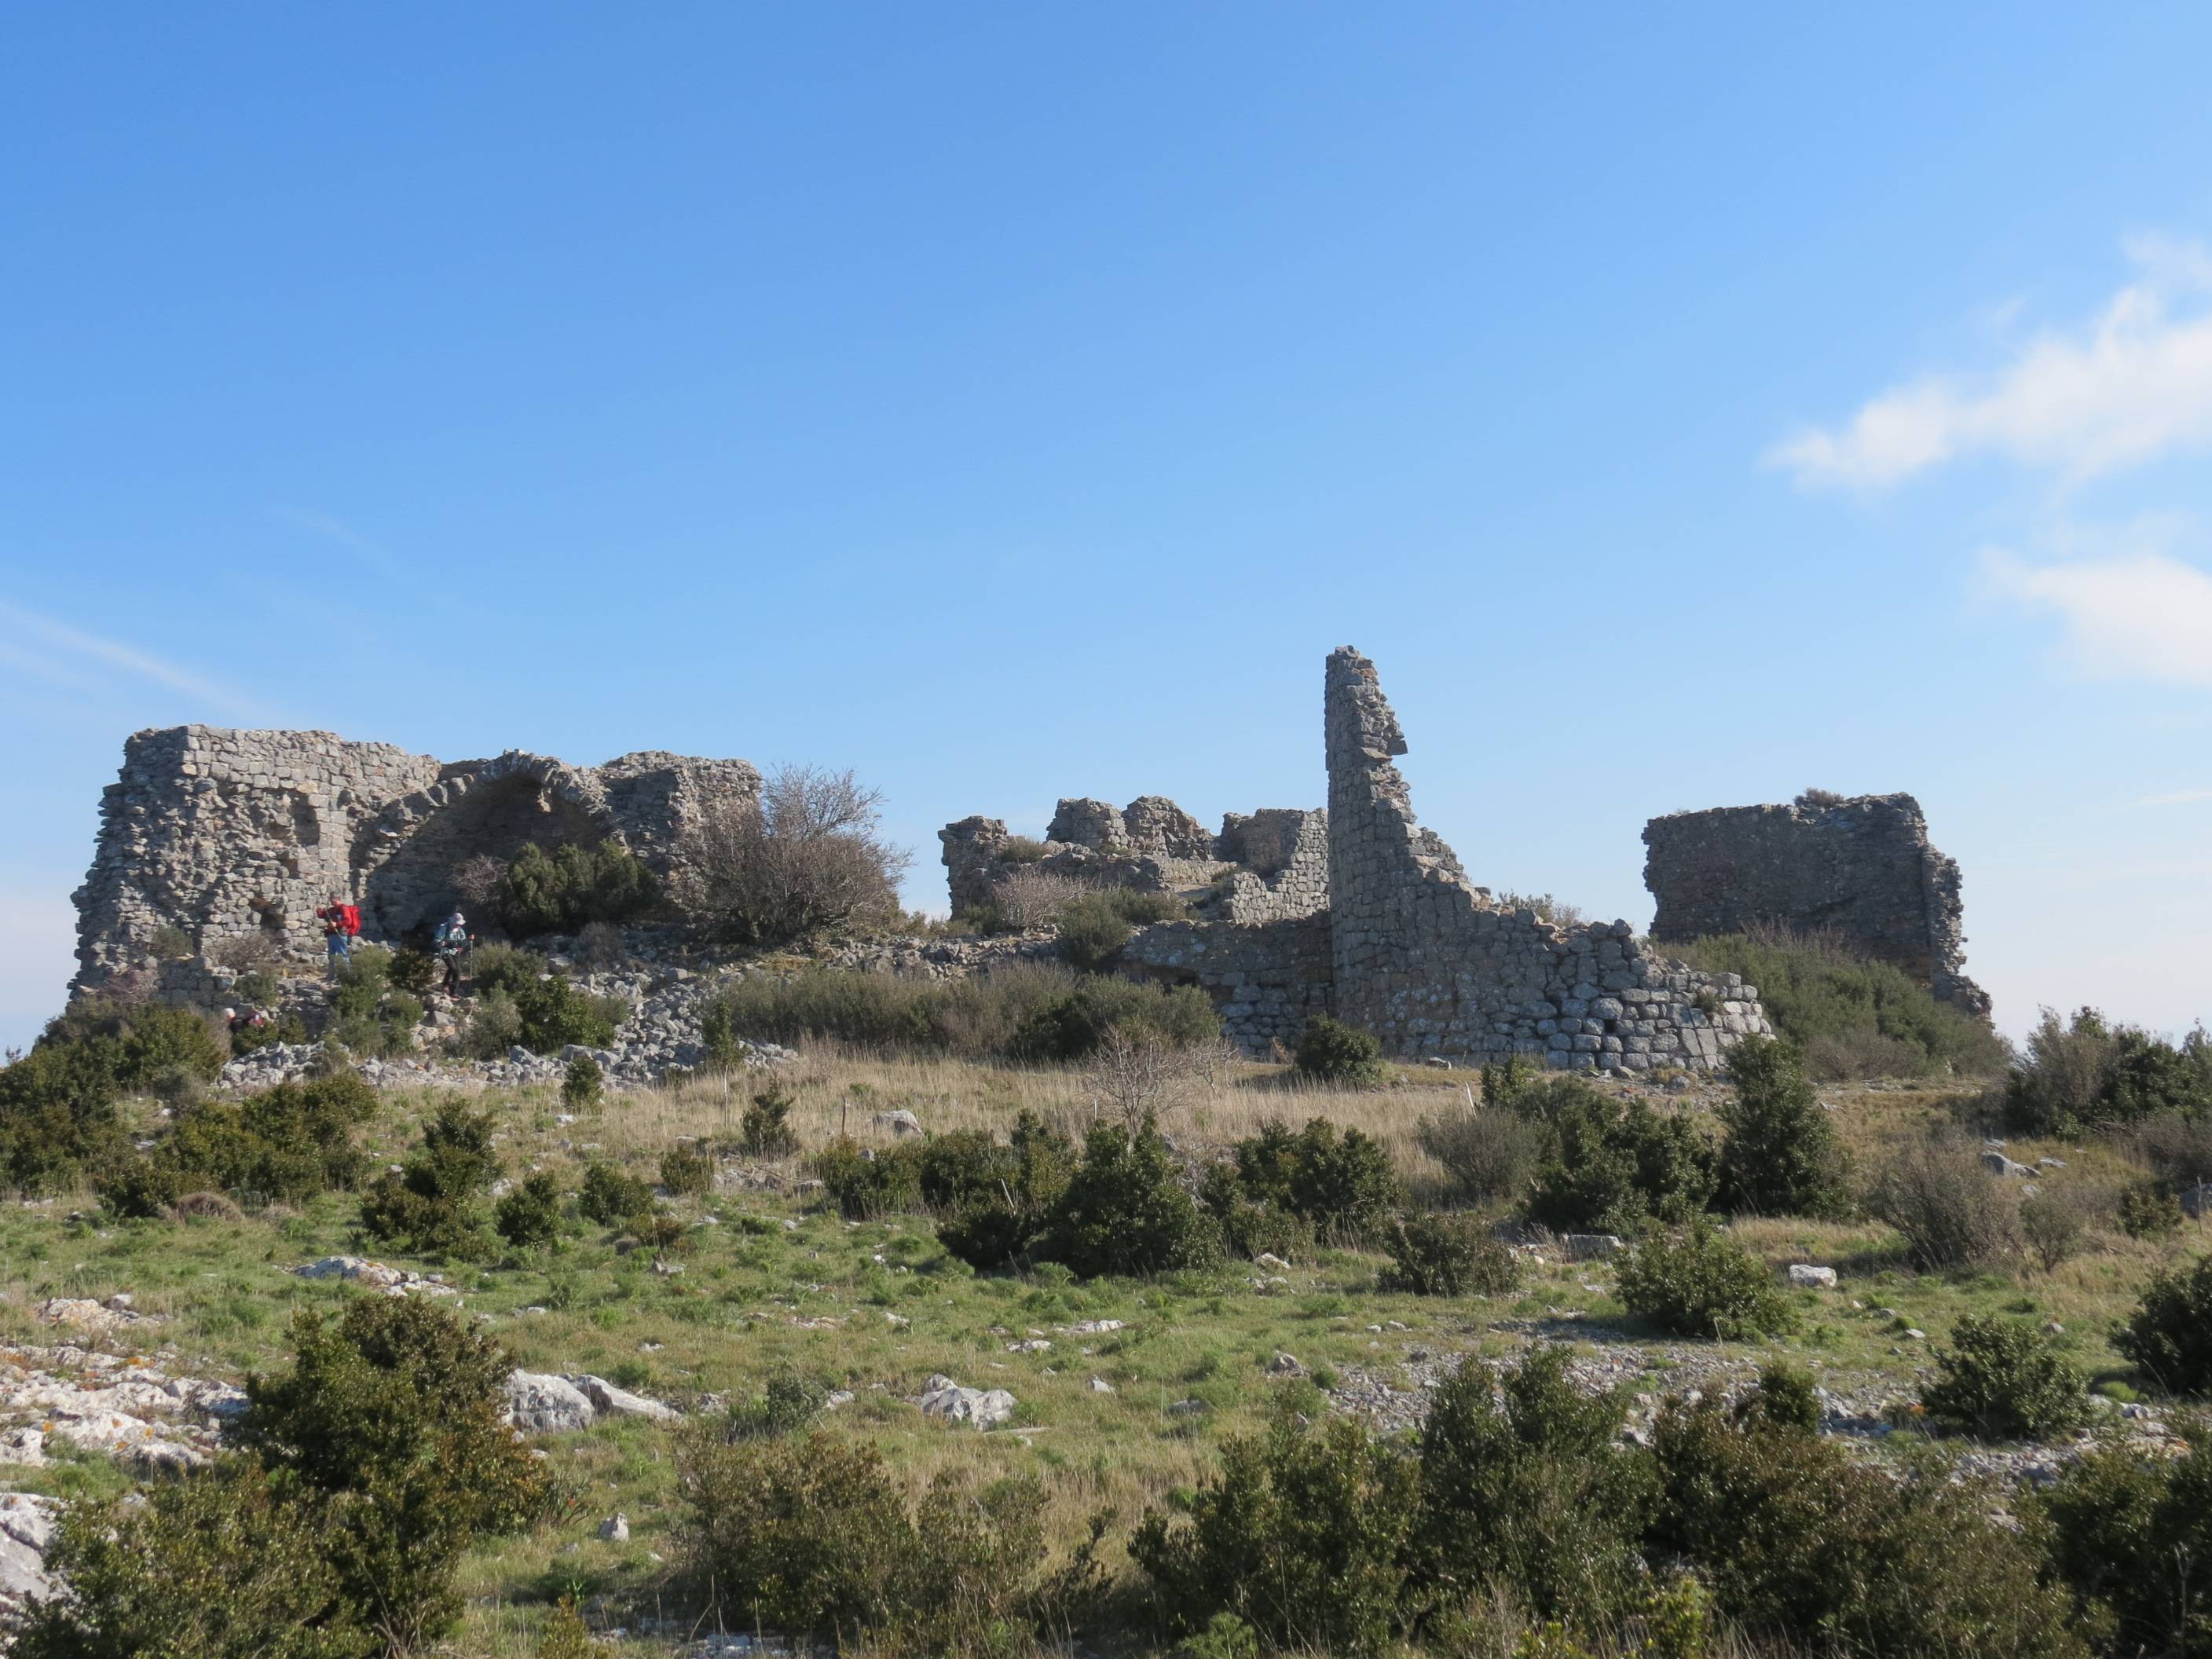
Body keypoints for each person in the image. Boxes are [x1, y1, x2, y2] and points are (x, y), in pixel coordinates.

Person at [315, 895, 361, 975]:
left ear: (335, 899)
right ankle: (332, 977)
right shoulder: (333, 910)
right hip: (331, 935)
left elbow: (348, 921)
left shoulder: (343, 908)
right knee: (331, 957)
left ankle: (347, 976)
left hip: (339, 934)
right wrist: (318, 907)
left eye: (331, 900)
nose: (330, 902)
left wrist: (337, 923)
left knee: (343, 956)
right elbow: (322, 915)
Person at [434, 907, 471, 995]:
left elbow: (463, 940)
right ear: (453, 922)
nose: (458, 925)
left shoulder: (460, 930)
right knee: (453, 968)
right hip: (445, 951)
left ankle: (452, 990)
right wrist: (442, 943)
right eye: (457, 924)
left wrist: (462, 946)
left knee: (457, 970)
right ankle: (447, 987)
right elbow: (437, 940)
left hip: (455, 951)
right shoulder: (445, 928)